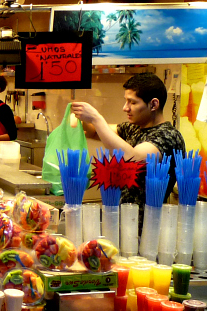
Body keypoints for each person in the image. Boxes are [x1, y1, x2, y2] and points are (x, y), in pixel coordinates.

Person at [72, 72, 185, 211]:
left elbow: (133, 158)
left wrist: (96, 118)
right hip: (122, 219)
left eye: (133, 102)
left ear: (154, 104)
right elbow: (95, 131)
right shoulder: (134, 128)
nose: (125, 108)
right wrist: (79, 116)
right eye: (126, 101)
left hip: (147, 225)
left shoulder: (168, 136)